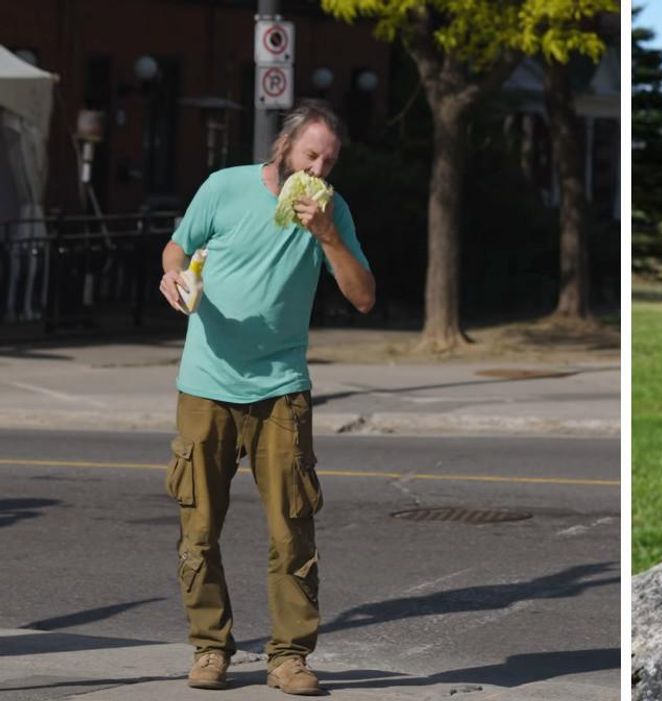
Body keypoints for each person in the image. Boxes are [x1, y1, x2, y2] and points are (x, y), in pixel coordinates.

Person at [158, 100, 373, 695]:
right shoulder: (223, 188)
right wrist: (171, 275)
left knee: (292, 531)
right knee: (198, 530)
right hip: (206, 385)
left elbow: (362, 297)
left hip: (281, 389)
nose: (319, 169)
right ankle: (209, 648)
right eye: (311, 154)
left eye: (328, 161)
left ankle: (289, 657)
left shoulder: (332, 211)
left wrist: (327, 234)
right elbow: (177, 248)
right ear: (284, 148)